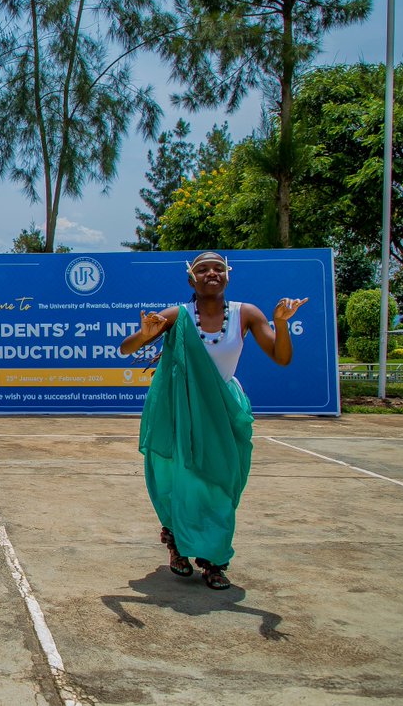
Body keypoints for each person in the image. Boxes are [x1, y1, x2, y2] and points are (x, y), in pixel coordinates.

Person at [118, 251, 308, 590]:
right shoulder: (177, 315)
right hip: (181, 412)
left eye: (218, 268)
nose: (211, 274)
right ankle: (180, 546)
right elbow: (125, 349)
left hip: (224, 412)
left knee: (221, 486)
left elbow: (282, 357)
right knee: (181, 481)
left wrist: (280, 322)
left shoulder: (245, 314)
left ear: (228, 276)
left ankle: (213, 555)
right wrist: (146, 334)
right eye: (202, 269)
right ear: (191, 278)